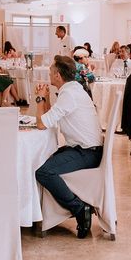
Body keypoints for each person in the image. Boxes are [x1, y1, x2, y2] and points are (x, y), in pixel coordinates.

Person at [34, 55, 103, 239]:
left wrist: (40, 98)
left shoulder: (69, 94)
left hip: (87, 153)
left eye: (50, 72)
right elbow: (50, 118)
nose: (49, 74)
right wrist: (47, 98)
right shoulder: (72, 90)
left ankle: (79, 209)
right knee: (45, 160)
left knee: (44, 172)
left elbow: (41, 123)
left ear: (57, 75)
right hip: (84, 148)